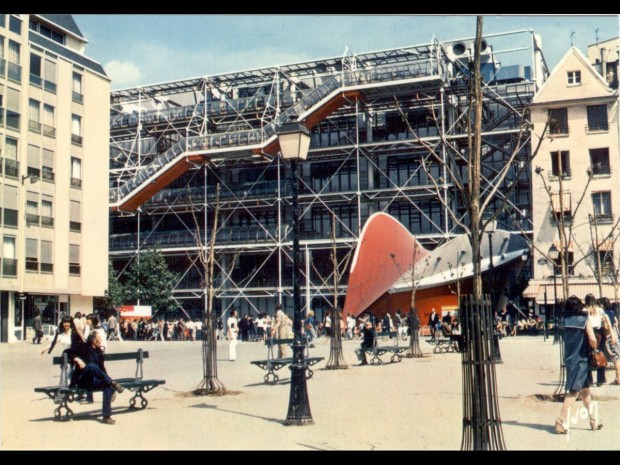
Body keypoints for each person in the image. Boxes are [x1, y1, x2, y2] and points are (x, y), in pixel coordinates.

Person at [554, 296, 602, 434]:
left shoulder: (565, 322)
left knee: (585, 391)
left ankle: (593, 421)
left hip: (570, 359)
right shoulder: (584, 321)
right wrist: (594, 347)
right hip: (582, 360)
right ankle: (559, 422)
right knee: (574, 392)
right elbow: (593, 339)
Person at [70, 331, 125, 425]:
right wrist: (77, 359)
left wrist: (109, 383)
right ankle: (113, 383)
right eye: (98, 339)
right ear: (92, 339)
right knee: (91, 366)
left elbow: (102, 369)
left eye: (100, 339)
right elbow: (67, 352)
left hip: (93, 380)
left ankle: (106, 416)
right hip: (82, 379)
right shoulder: (84, 346)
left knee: (107, 386)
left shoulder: (98, 351)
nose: (100, 340)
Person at [585, 294, 606, 386]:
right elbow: (604, 319)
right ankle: (600, 380)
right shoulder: (600, 310)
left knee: (588, 356)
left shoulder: (585, 310)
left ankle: (589, 379)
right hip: (599, 332)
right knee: (600, 354)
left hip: (589, 332)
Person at [598, 297, 620, 386]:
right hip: (615, 335)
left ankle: (618, 378)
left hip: (610, 337)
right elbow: (616, 322)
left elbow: (607, 326)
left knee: (616, 358)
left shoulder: (603, 314)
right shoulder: (611, 312)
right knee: (617, 356)